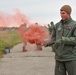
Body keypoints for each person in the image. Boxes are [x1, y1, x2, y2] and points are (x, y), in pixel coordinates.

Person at [44, 5, 76, 75]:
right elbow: (54, 38)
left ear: (69, 13)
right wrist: (46, 42)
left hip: (70, 57)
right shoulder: (57, 25)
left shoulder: (74, 25)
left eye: (63, 13)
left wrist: (62, 40)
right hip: (59, 57)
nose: (61, 15)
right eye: (60, 13)